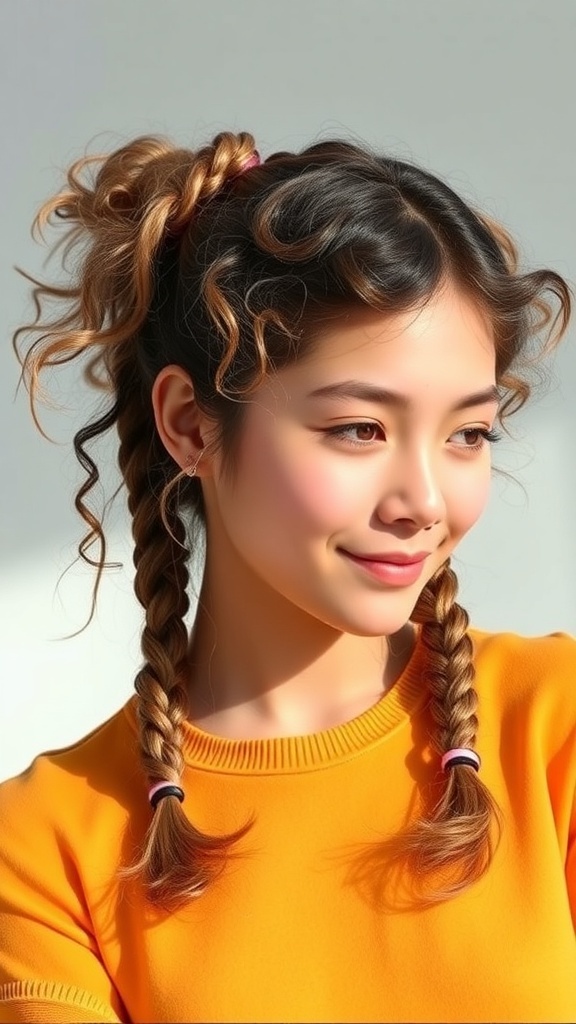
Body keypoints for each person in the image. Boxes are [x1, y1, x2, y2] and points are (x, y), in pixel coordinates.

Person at [0, 129, 574, 1024]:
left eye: (469, 433)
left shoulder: (556, 731)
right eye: (358, 429)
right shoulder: (44, 849)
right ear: (189, 424)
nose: (424, 500)